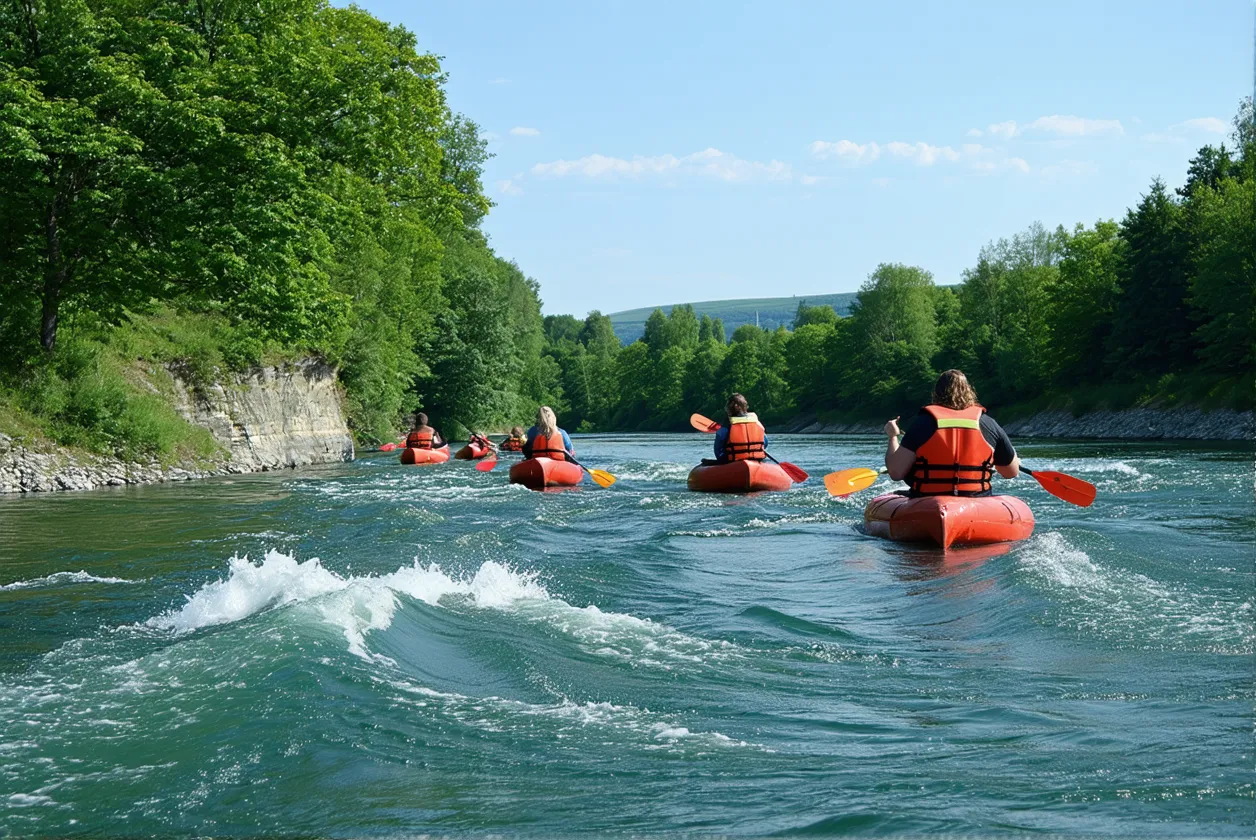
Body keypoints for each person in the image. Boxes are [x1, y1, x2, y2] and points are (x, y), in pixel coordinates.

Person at [883, 369, 1020, 497]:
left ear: (936, 393)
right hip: (977, 500)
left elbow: (896, 472)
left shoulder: (922, 423)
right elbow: (1011, 472)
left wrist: (893, 437)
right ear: (969, 391)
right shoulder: (988, 424)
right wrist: (1011, 455)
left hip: (928, 498)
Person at [713, 393, 768, 463]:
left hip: (733, 461)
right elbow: (765, 443)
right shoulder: (756, 423)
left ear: (729, 410)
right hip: (756, 459)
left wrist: (722, 460)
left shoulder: (725, 428)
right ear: (745, 407)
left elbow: (718, 450)